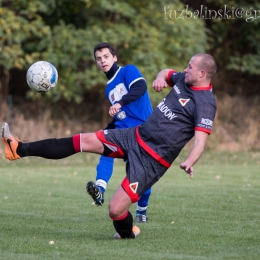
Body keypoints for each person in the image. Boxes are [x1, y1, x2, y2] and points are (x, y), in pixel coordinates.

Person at [2, 53, 217, 239]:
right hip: (133, 136)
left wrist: (189, 161)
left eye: (190, 66)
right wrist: (161, 78)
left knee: (115, 210)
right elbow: (166, 72)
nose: (185, 69)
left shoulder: (205, 104)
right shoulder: (183, 80)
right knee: (83, 140)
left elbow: (200, 142)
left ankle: (127, 233)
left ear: (201, 74)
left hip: (152, 160)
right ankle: (19, 149)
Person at [86, 43, 153, 223]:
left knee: (139, 176)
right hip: (123, 133)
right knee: (105, 150)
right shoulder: (108, 88)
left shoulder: (127, 71)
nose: (102, 61)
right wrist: (105, 130)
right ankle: (100, 189)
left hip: (143, 132)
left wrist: (119, 103)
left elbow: (141, 88)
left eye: (106, 57)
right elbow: (121, 117)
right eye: (99, 59)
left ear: (114, 58)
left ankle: (142, 210)